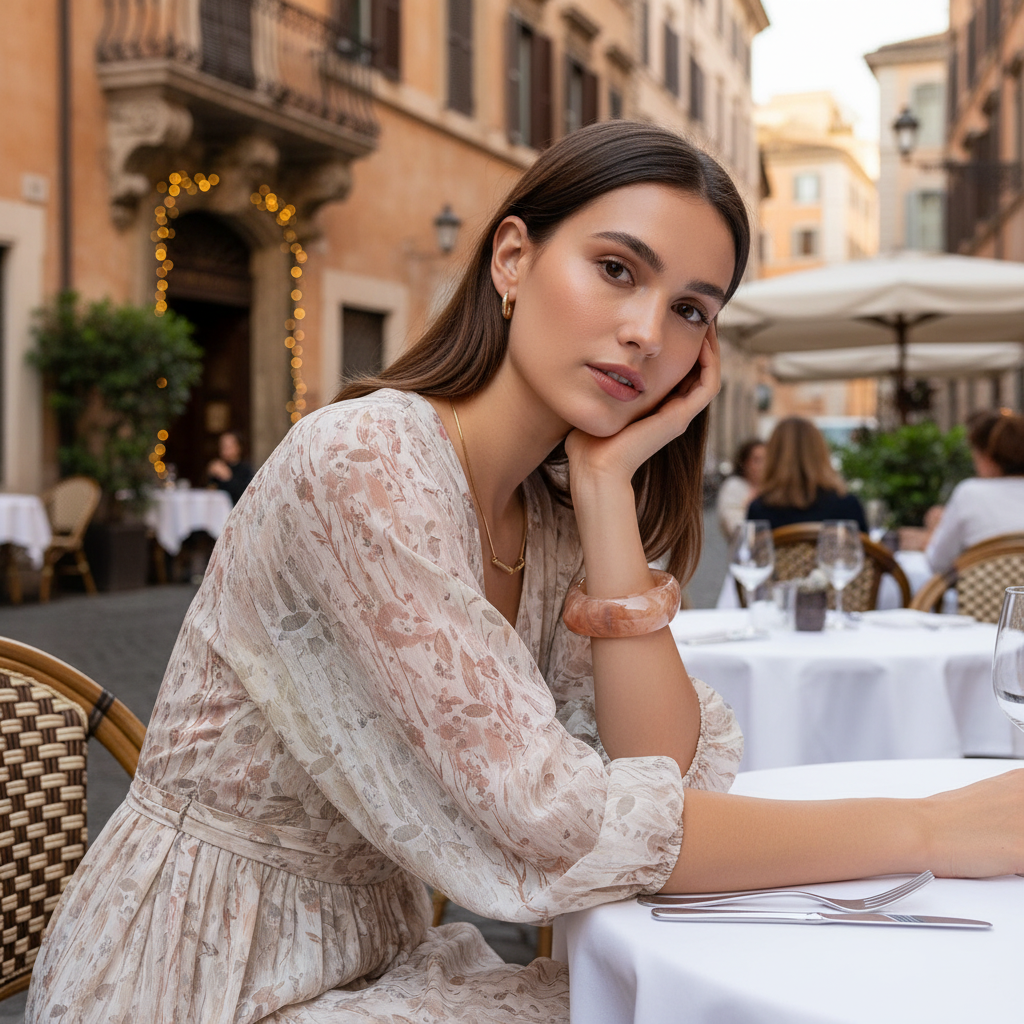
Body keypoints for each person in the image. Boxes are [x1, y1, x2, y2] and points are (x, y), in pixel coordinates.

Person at [28, 123, 1024, 1024]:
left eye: (688, 308)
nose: (646, 331)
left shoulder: (548, 514)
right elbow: (562, 826)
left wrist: (602, 487)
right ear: (512, 257)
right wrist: (931, 828)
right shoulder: (364, 462)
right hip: (193, 979)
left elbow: (672, 777)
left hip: (372, 959)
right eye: (614, 268)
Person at [925, 409, 1024, 573]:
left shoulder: (970, 493)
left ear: (987, 457)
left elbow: (937, 564)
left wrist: (935, 531)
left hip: (982, 596)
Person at [747, 416, 868, 532]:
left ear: (773, 455)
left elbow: (752, 551)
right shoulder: (848, 505)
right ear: (820, 452)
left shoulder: (759, 511)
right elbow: (863, 551)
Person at [715, 438, 766, 540]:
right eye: (757, 460)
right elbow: (734, 528)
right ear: (744, 463)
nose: (763, 465)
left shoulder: (770, 487)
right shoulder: (733, 486)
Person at [206, 429, 254, 505]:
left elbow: (245, 495)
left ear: (238, 447)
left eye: (229, 446)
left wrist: (227, 477)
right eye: (223, 446)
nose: (225, 450)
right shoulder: (218, 467)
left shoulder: (245, 469)